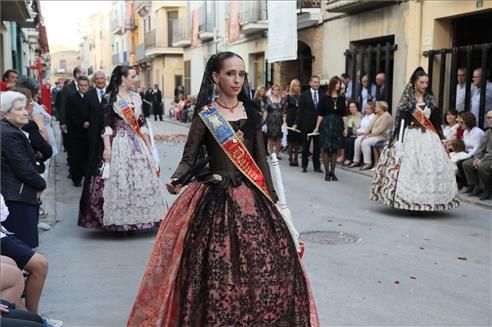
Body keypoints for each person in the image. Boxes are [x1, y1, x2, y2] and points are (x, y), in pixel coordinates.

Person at [127, 52, 319, 326]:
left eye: (241, 74)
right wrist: (178, 179)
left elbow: (260, 161)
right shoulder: (205, 115)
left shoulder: (251, 113)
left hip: (252, 198)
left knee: (263, 267)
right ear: (215, 77)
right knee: (215, 269)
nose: (237, 79)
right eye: (230, 73)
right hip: (213, 198)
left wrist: (273, 201)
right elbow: (189, 158)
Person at [78, 65, 165, 231]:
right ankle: (121, 220)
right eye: (133, 76)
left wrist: (149, 148)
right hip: (119, 143)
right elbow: (106, 126)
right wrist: (107, 148)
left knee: (140, 181)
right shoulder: (110, 98)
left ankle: (141, 219)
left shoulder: (137, 97)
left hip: (137, 143)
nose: (136, 80)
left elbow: (142, 124)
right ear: (123, 78)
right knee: (120, 180)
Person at [370, 67, 460, 211]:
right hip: (411, 135)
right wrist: (398, 141)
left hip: (429, 137)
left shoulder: (430, 99)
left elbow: (436, 122)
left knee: (430, 168)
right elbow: (402, 122)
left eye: (426, 83)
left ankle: (428, 201)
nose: (425, 85)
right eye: (422, 82)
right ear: (414, 83)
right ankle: (409, 201)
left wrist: (441, 139)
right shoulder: (407, 100)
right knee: (411, 167)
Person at [1, 92, 46, 248]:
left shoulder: (10, 131)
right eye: (19, 109)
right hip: (17, 198)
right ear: (4, 113)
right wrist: (41, 184)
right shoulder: (8, 134)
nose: (26, 112)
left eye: (24, 108)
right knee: (22, 248)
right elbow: (23, 169)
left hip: (17, 196)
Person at [313, 76, 348, 181]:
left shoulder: (342, 98)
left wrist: (345, 128)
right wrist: (316, 127)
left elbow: (344, 114)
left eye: (340, 84)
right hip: (327, 124)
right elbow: (320, 114)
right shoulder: (324, 98)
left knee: (335, 149)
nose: (339, 86)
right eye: (337, 83)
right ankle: (327, 173)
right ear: (332, 84)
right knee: (326, 148)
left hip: (337, 124)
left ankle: (333, 172)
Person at [350, 101, 392, 170]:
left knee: (365, 142)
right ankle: (356, 161)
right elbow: (369, 127)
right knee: (358, 140)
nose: (375, 108)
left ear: (381, 108)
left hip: (382, 136)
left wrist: (368, 136)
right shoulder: (377, 115)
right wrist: (365, 135)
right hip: (374, 135)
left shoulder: (386, 116)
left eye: (376, 106)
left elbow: (380, 129)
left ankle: (368, 163)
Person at [293, 75, 323, 173]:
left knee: (317, 146)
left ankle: (317, 166)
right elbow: (300, 111)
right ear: (310, 83)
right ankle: (304, 165)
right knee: (306, 146)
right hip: (306, 124)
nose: (316, 84)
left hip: (318, 125)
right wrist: (296, 124)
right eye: (314, 82)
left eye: (318, 82)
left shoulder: (322, 95)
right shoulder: (304, 95)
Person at [66, 76, 91, 186]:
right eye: (81, 85)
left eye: (85, 85)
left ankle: (87, 177)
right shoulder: (72, 98)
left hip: (89, 133)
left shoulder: (92, 97)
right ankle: (77, 179)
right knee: (76, 158)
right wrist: (82, 123)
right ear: (78, 86)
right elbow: (70, 115)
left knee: (87, 157)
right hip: (75, 134)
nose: (83, 87)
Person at [462, 111, 492, 200]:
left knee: (482, 166)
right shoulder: (487, 132)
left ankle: (487, 189)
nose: (490, 120)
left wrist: (481, 160)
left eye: (491, 118)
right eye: (488, 118)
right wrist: (477, 158)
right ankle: (476, 185)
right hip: (485, 156)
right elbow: (481, 148)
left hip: (489, 158)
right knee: (467, 164)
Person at [284, 79, 302, 166]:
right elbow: (285, 109)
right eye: (295, 86)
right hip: (290, 118)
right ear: (292, 87)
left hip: (299, 119)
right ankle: (290, 158)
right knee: (291, 139)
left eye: (298, 86)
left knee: (297, 140)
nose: (297, 88)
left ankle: (296, 158)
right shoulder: (288, 97)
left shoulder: (301, 96)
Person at [264, 84, 284, 158]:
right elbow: (266, 111)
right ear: (272, 90)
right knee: (271, 137)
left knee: (279, 137)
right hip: (270, 120)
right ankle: (271, 153)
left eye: (278, 89)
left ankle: (277, 153)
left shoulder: (282, 99)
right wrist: (264, 121)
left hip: (279, 121)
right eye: (275, 89)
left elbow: (283, 110)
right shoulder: (268, 99)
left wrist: (284, 120)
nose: (277, 91)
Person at [342, 100, 363, 166]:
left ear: (357, 107)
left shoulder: (360, 115)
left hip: (358, 133)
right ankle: (343, 156)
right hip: (350, 132)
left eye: (354, 107)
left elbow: (358, 127)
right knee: (343, 137)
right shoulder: (349, 116)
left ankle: (349, 159)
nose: (352, 109)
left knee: (350, 140)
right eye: (350, 107)